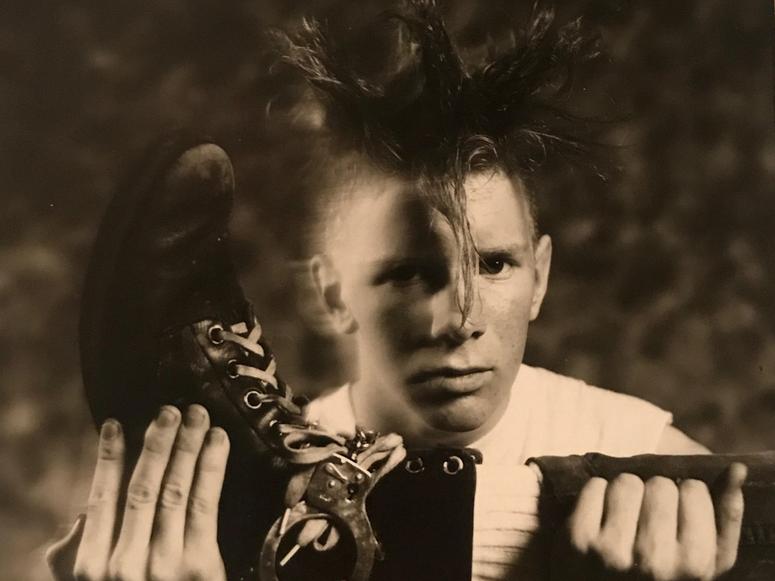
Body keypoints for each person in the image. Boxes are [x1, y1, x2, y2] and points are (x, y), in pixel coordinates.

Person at [46, 2, 746, 580]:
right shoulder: (215, 480)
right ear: (333, 296)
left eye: (494, 264)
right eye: (408, 273)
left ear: (540, 277)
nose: (460, 318)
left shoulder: (640, 447)